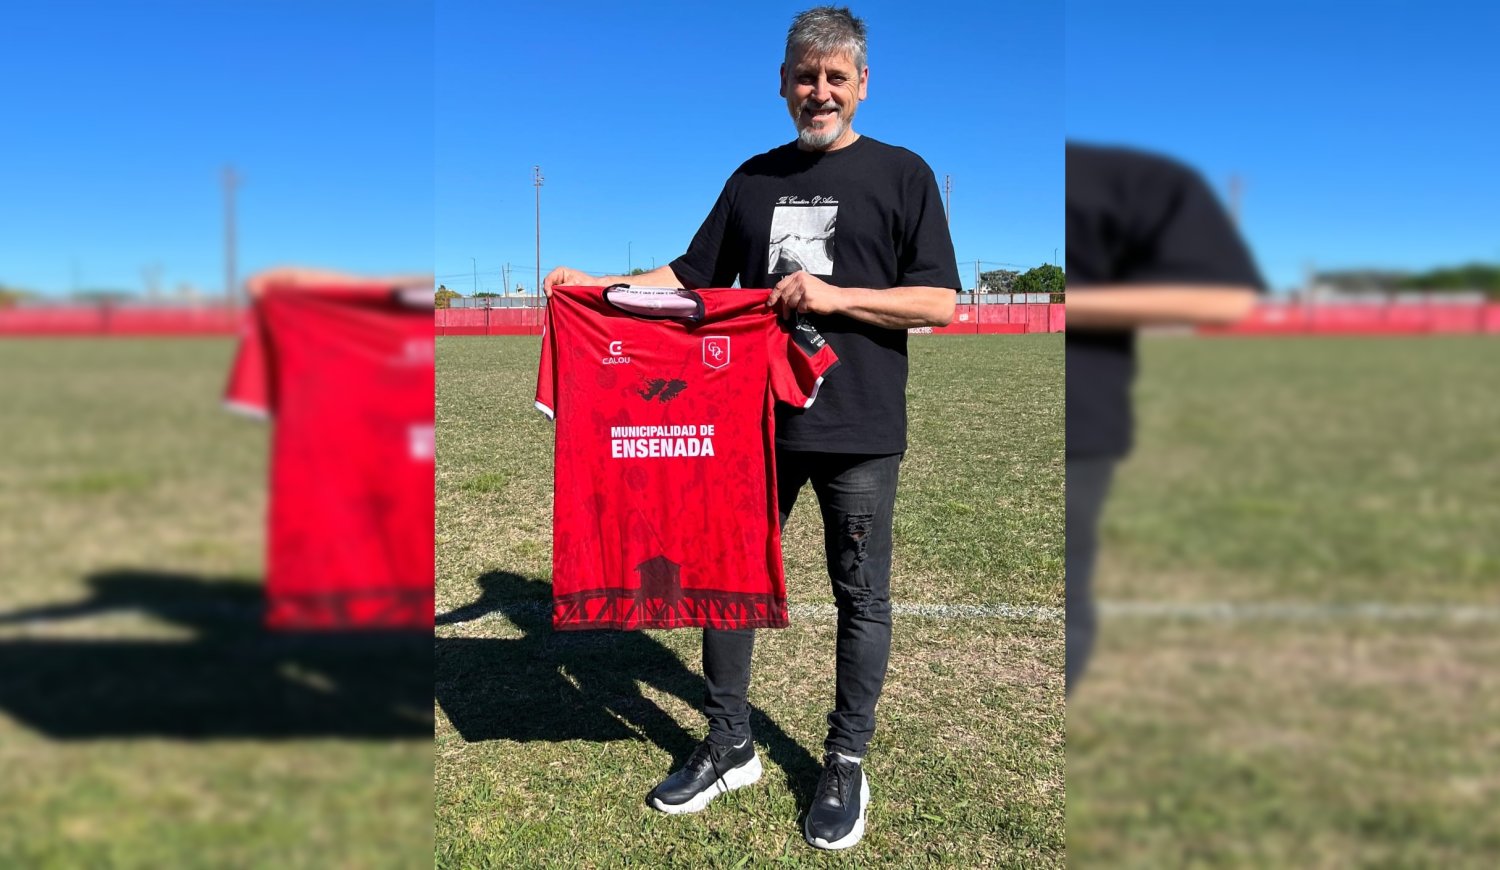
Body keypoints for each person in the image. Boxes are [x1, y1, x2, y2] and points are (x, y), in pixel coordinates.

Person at [544, 6, 958, 851]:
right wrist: (597, 286)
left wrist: (834, 296)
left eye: (835, 77)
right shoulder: (752, 179)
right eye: (806, 77)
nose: (820, 92)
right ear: (782, 84)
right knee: (725, 579)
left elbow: (939, 301)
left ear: (863, 84)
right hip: (748, 427)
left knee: (859, 593)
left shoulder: (904, 173)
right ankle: (730, 743)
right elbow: (687, 276)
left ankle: (845, 760)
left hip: (859, 426)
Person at [1064, 142, 1264, 692]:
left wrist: (1075, 304)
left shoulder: (1138, 176)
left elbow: (1225, 299)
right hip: (1088, 420)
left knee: (1072, 591)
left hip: (1086, 423)